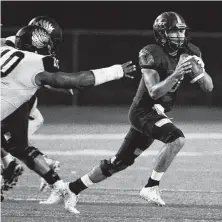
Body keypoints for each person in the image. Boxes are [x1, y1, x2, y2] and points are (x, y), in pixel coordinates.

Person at [62, 11, 213, 209]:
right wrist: (176, 75)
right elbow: (154, 92)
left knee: (119, 162)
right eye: (175, 32)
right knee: (177, 139)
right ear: (162, 33)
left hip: (157, 114)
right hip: (143, 112)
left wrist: (201, 72)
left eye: (182, 31)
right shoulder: (151, 53)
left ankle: (70, 188)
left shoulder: (190, 52)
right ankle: (151, 186)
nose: (181, 36)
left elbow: (208, 87)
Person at [0, 24, 136, 213]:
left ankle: (50, 181)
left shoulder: (4, 49)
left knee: (14, 145)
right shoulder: (34, 62)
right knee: (13, 145)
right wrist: (116, 71)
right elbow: (77, 81)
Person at [1, 16, 66, 198]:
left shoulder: (25, 48)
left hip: (18, 103)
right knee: (11, 146)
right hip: (21, 103)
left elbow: (45, 77)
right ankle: (14, 165)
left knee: (13, 146)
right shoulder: (19, 44)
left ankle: (11, 166)